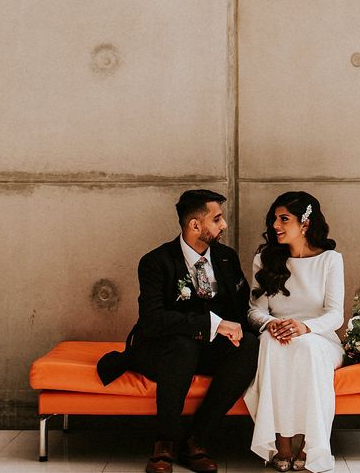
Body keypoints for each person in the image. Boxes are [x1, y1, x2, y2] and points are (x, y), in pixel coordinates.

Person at [96, 189, 258, 473]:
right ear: (195, 225)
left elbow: (239, 307)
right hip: (163, 348)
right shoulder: (156, 262)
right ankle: (165, 442)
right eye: (217, 219)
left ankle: (196, 440)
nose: (223, 225)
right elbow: (152, 319)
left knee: (250, 346)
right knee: (182, 347)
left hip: (207, 349)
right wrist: (212, 324)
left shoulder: (226, 258)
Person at [244, 191, 344, 472]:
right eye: (274, 219)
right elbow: (254, 310)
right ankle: (282, 443)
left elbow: (335, 315)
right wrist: (270, 324)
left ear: (305, 223)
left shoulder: (331, 261)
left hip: (320, 338)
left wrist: (305, 327)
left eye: (283, 219)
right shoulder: (265, 259)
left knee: (306, 346)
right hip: (276, 336)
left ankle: (309, 443)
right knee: (274, 345)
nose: (275, 225)